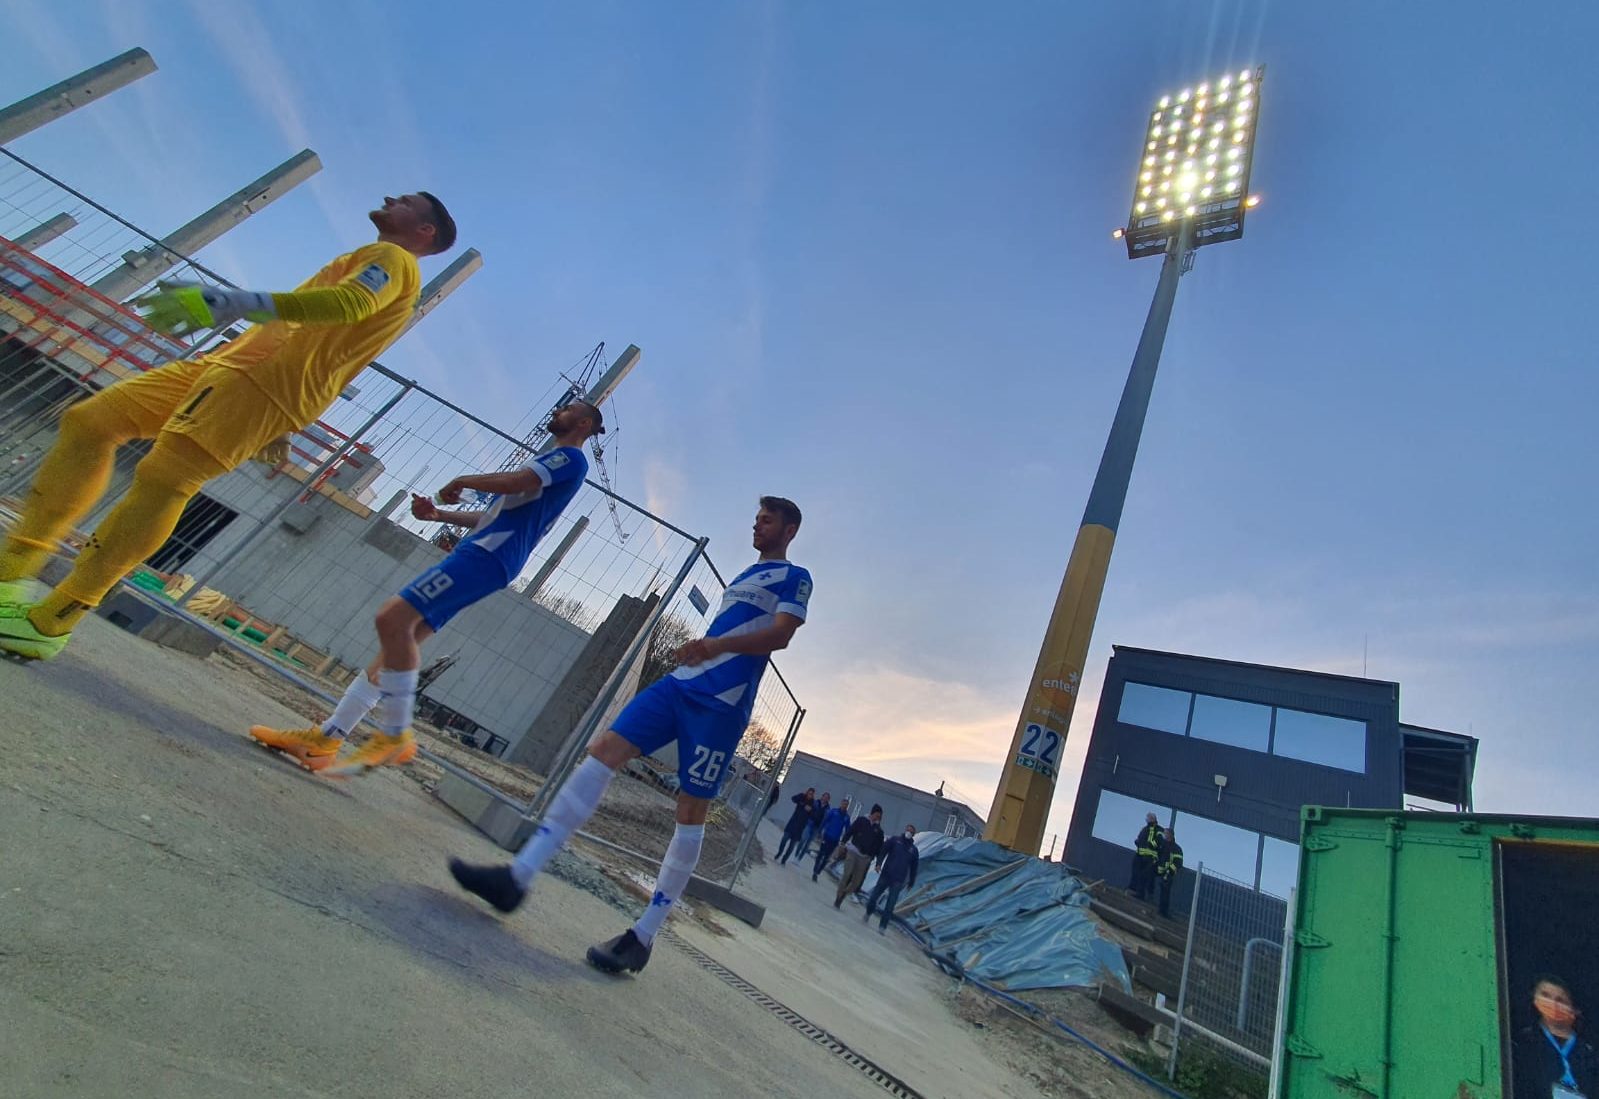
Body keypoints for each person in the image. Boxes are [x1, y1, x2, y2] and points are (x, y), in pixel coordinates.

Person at [0, 193, 457, 659]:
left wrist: (234, 302)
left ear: (426, 232)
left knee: (165, 479)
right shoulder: (380, 260)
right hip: (232, 367)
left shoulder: (395, 259)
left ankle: (54, 618)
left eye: (404, 202)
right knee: (91, 422)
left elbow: (348, 304)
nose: (388, 198)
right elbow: (331, 338)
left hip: (262, 383)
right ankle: (14, 570)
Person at [448, 497, 811, 976]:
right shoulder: (743, 576)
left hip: (721, 707)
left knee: (690, 809)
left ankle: (643, 934)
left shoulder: (795, 577)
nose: (756, 524)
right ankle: (520, 874)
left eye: (766, 519)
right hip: (680, 686)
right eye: (756, 517)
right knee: (602, 752)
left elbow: (781, 635)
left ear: (789, 529)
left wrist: (717, 646)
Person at [247, 400, 602, 774]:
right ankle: (325, 741)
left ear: (582, 423)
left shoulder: (570, 460)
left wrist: (463, 480)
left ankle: (396, 733)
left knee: (392, 619)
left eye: (567, 410)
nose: (556, 412)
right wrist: (439, 515)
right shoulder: (550, 466)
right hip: (488, 554)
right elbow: (492, 515)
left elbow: (519, 481)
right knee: (396, 646)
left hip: (488, 555)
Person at [1513, 975, 1599, 1098]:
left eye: (1560, 1000)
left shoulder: (1590, 1052)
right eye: (1545, 995)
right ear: (1534, 999)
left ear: (1574, 1009)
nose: (1552, 1003)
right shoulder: (1523, 1043)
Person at [864, 824, 919, 934]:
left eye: (911, 832)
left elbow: (914, 867)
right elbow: (883, 851)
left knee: (890, 905)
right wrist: (878, 864)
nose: (908, 833)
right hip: (886, 875)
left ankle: (882, 926)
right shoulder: (895, 840)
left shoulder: (913, 850)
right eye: (907, 830)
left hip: (898, 880)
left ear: (913, 835)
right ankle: (868, 912)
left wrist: (911, 881)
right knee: (873, 897)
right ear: (905, 830)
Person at [833, 804, 884, 909]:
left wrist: (878, 863)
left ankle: (844, 893)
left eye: (880, 817)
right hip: (853, 851)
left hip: (865, 858)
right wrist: (842, 843)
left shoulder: (879, 831)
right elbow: (850, 831)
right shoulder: (861, 821)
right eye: (877, 815)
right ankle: (838, 897)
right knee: (847, 874)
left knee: (856, 882)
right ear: (872, 813)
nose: (877, 818)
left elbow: (879, 848)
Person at [811, 796, 851, 881]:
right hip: (827, 836)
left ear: (847, 806)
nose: (844, 806)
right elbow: (825, 821)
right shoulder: (833, 812)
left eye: (846, 805)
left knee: (826, 857)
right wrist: (820, 831)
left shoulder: (846, 817)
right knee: (821, 853)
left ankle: (819, 870)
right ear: (841, 804)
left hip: (835, 840)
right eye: (843, 804)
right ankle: (815, 870)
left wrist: (845, 841)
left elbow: (848, 830)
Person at [776, 787, 815, 865]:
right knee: (784, 839)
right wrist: (802, 801)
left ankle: (784, 859)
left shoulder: (812, 803)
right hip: (792, 823)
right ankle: (780, 852)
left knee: (791, 846)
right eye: (809, 793)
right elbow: (793, 798)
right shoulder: (802, 796)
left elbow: (813, 815)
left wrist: (810, 810)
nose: (809, 795)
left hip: (800, 828)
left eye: (811, 794)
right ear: (807, 792)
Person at [1129, 812, 1162, 903]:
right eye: (1147, 818)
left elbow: (1160, 840)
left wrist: (1151, 845)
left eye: (1149, 818)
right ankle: (1134, 890)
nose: (1147, 820)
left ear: (1153, 818)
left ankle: (1143, 895)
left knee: (1146, 876)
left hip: (1150, 857)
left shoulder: (1159, 829)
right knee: (1136, 873)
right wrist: (1137, 842)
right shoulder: (1144, 829)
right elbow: (1139, 838)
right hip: (1139, 855)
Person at [1155, 825, 1183, 919]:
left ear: (1170, 835)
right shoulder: (1163, 845)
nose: (1164, 835)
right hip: (1160, 872)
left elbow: (1178, 863)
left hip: (1168, 875)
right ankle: (1160, 910)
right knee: (1162, 892)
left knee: (1165, 893)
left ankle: (1163, 912)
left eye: (1166, 834)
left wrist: (1169, 872)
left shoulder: (1176, 849)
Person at [797, 791, 830, 862]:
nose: (825, 798)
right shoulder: (815, 802)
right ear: (822, 796)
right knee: (803, 839)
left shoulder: (828, 809)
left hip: (817, 828)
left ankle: (799, 858)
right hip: (810, 823)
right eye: (824, 796)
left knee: (808, 844)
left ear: (828, 800)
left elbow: (826, 821)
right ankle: (796, 854)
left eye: (827, 798)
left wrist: (821, 831)